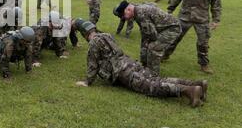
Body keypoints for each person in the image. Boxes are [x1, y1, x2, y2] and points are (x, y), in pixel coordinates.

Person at [75, 22, 207, 108]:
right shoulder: (106, 35)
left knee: (151, 86)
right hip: (130, 63)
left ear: (84, 34)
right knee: (157, 79)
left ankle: (188, 91)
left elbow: (92, 65)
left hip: (123, 71)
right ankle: (197, 84)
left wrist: (87, 82)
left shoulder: (93, 43)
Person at [164, 0, 222, 74]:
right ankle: (164, 55)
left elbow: (216, 3)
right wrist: (169, 10)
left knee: (203, 43)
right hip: (184, 16)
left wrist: (216, 19)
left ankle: (204, 64)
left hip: (202, 19)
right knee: (175, 38)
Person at [115, 1, 181, 75]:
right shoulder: (136, 12)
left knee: (153, 47)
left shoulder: (141, 14)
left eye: (123, 15)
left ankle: (153, 75)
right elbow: (145, 35)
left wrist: (147, 46)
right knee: (145, 44)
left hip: (172, 28)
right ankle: (145, 67)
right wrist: (143, 59)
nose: (124, 18)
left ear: (129, 9)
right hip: (162, 28)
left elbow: (152, 35)